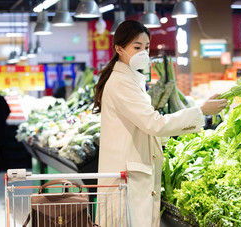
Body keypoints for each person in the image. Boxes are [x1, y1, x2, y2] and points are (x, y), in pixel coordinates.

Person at [93, 20, 228, 226]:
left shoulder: (129, 79)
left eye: (146, 47)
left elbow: (146, 124)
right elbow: (153, 123)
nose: (143, 53)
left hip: (129, 175)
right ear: (119, 49)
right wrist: (200, 111)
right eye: (137, 47)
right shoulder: (121, 83)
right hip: (126, 179)